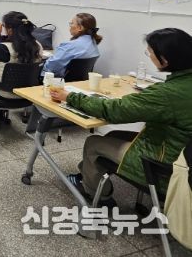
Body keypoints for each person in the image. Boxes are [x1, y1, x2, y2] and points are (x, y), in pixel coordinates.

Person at [50, 28, 192, 206]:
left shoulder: (167, 93)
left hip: (167, 165)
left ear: (164, 59)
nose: (149, 55)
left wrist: (70, 97)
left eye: (150, 52)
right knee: (114, 135)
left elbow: (114, 111)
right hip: (182, 151)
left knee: (93, 143)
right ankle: (88, 175)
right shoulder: (181, 85)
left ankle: (99, 196)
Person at [42, 13, 101, 77]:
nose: (70, 26)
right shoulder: (93, 43)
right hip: (78, 81)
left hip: (55, 79)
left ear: (80, 28)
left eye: (72, 23)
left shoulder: (70, 46)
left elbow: (51, 67)